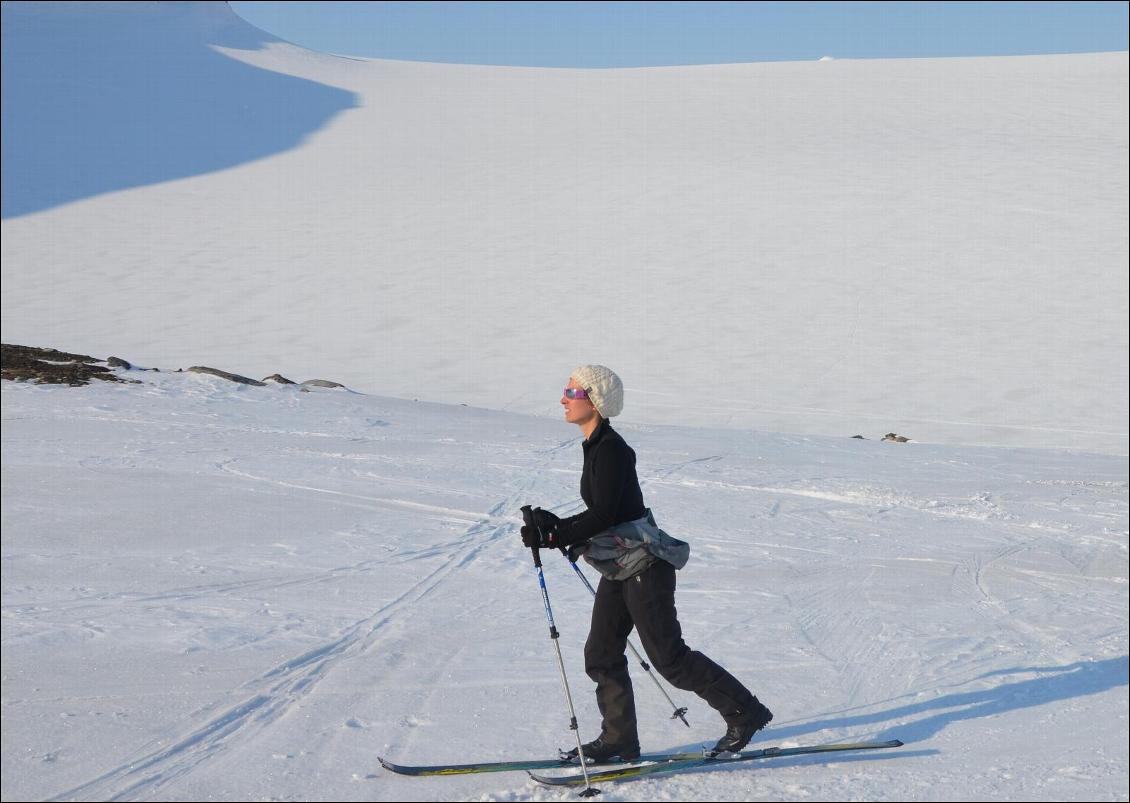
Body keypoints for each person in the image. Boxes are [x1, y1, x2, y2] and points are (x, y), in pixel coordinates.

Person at [520, 364, 772, 762]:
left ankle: (746, 712)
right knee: (601, 653)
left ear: (595, 401)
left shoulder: (613, 449)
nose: (564, 400)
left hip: (645, 567)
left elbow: (604, 513)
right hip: (621, 566)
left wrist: (558, 533)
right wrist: (557, 528)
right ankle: (619, 740)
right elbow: (613, 511)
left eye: (572, 393)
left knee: (670, 659)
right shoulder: (596, 446)